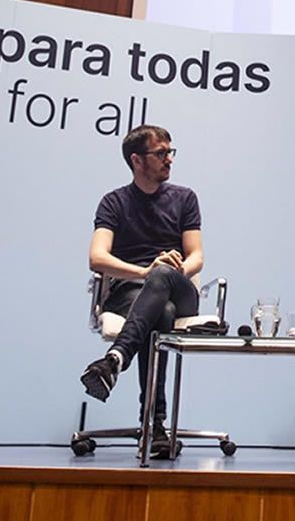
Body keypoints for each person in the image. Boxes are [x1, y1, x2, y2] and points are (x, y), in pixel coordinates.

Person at [79, 125, 205, 447]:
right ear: (137, 160)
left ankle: (115, 358)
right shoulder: (114, 202)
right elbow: (97, 257)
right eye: (161, 153)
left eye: (170, 152)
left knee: (163, 281)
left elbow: (197, 256)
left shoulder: (185, 198)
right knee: (162, 312)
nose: (169, 159)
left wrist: (171, 269)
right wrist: (144, 271)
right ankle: (155, 427)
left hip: (179, 285)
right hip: (131, 292)